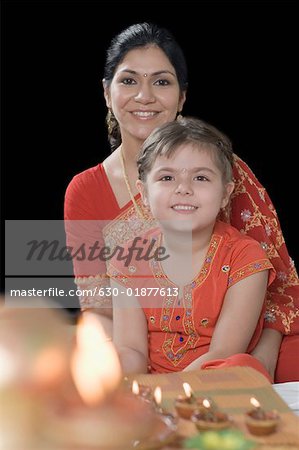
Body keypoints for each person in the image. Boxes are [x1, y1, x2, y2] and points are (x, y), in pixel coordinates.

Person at [64, 22, 299, 382]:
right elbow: (99, 307)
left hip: (247, 337)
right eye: (129, 81)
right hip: (143, 349)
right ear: (107, 92)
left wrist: (262, 357)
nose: (145, 96)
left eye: (161, 81)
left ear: (182, 96)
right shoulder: (85, 191)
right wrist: (114, 371)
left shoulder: (226, 169)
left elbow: (278, 282)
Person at [108, 117, 275, 380]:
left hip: (211, 383)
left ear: (225, 194)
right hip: (152, 386)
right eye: (167, 177)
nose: (184, 188)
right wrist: (124, 378)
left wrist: (169, 391)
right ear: (144, 194)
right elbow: (131, 349)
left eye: (200, 177)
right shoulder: (128, 258)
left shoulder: (245, 256)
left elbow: (224, 351)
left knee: (242, 366)